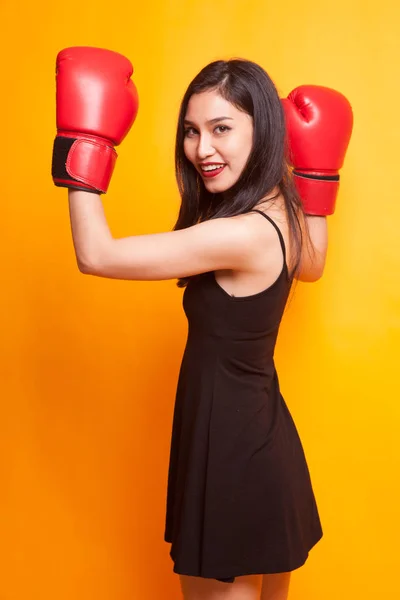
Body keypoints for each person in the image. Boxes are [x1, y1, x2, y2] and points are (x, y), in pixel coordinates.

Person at [52, 47, 353, 600]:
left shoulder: (240, 234)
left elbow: (95, 254)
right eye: (191, 131)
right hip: (259, 441)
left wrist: (83, 142)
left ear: (263, 131)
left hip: (232, 459)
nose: (202, 148)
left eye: (221, 128)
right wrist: (315, 176)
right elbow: (312, 266)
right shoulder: (282, 213)